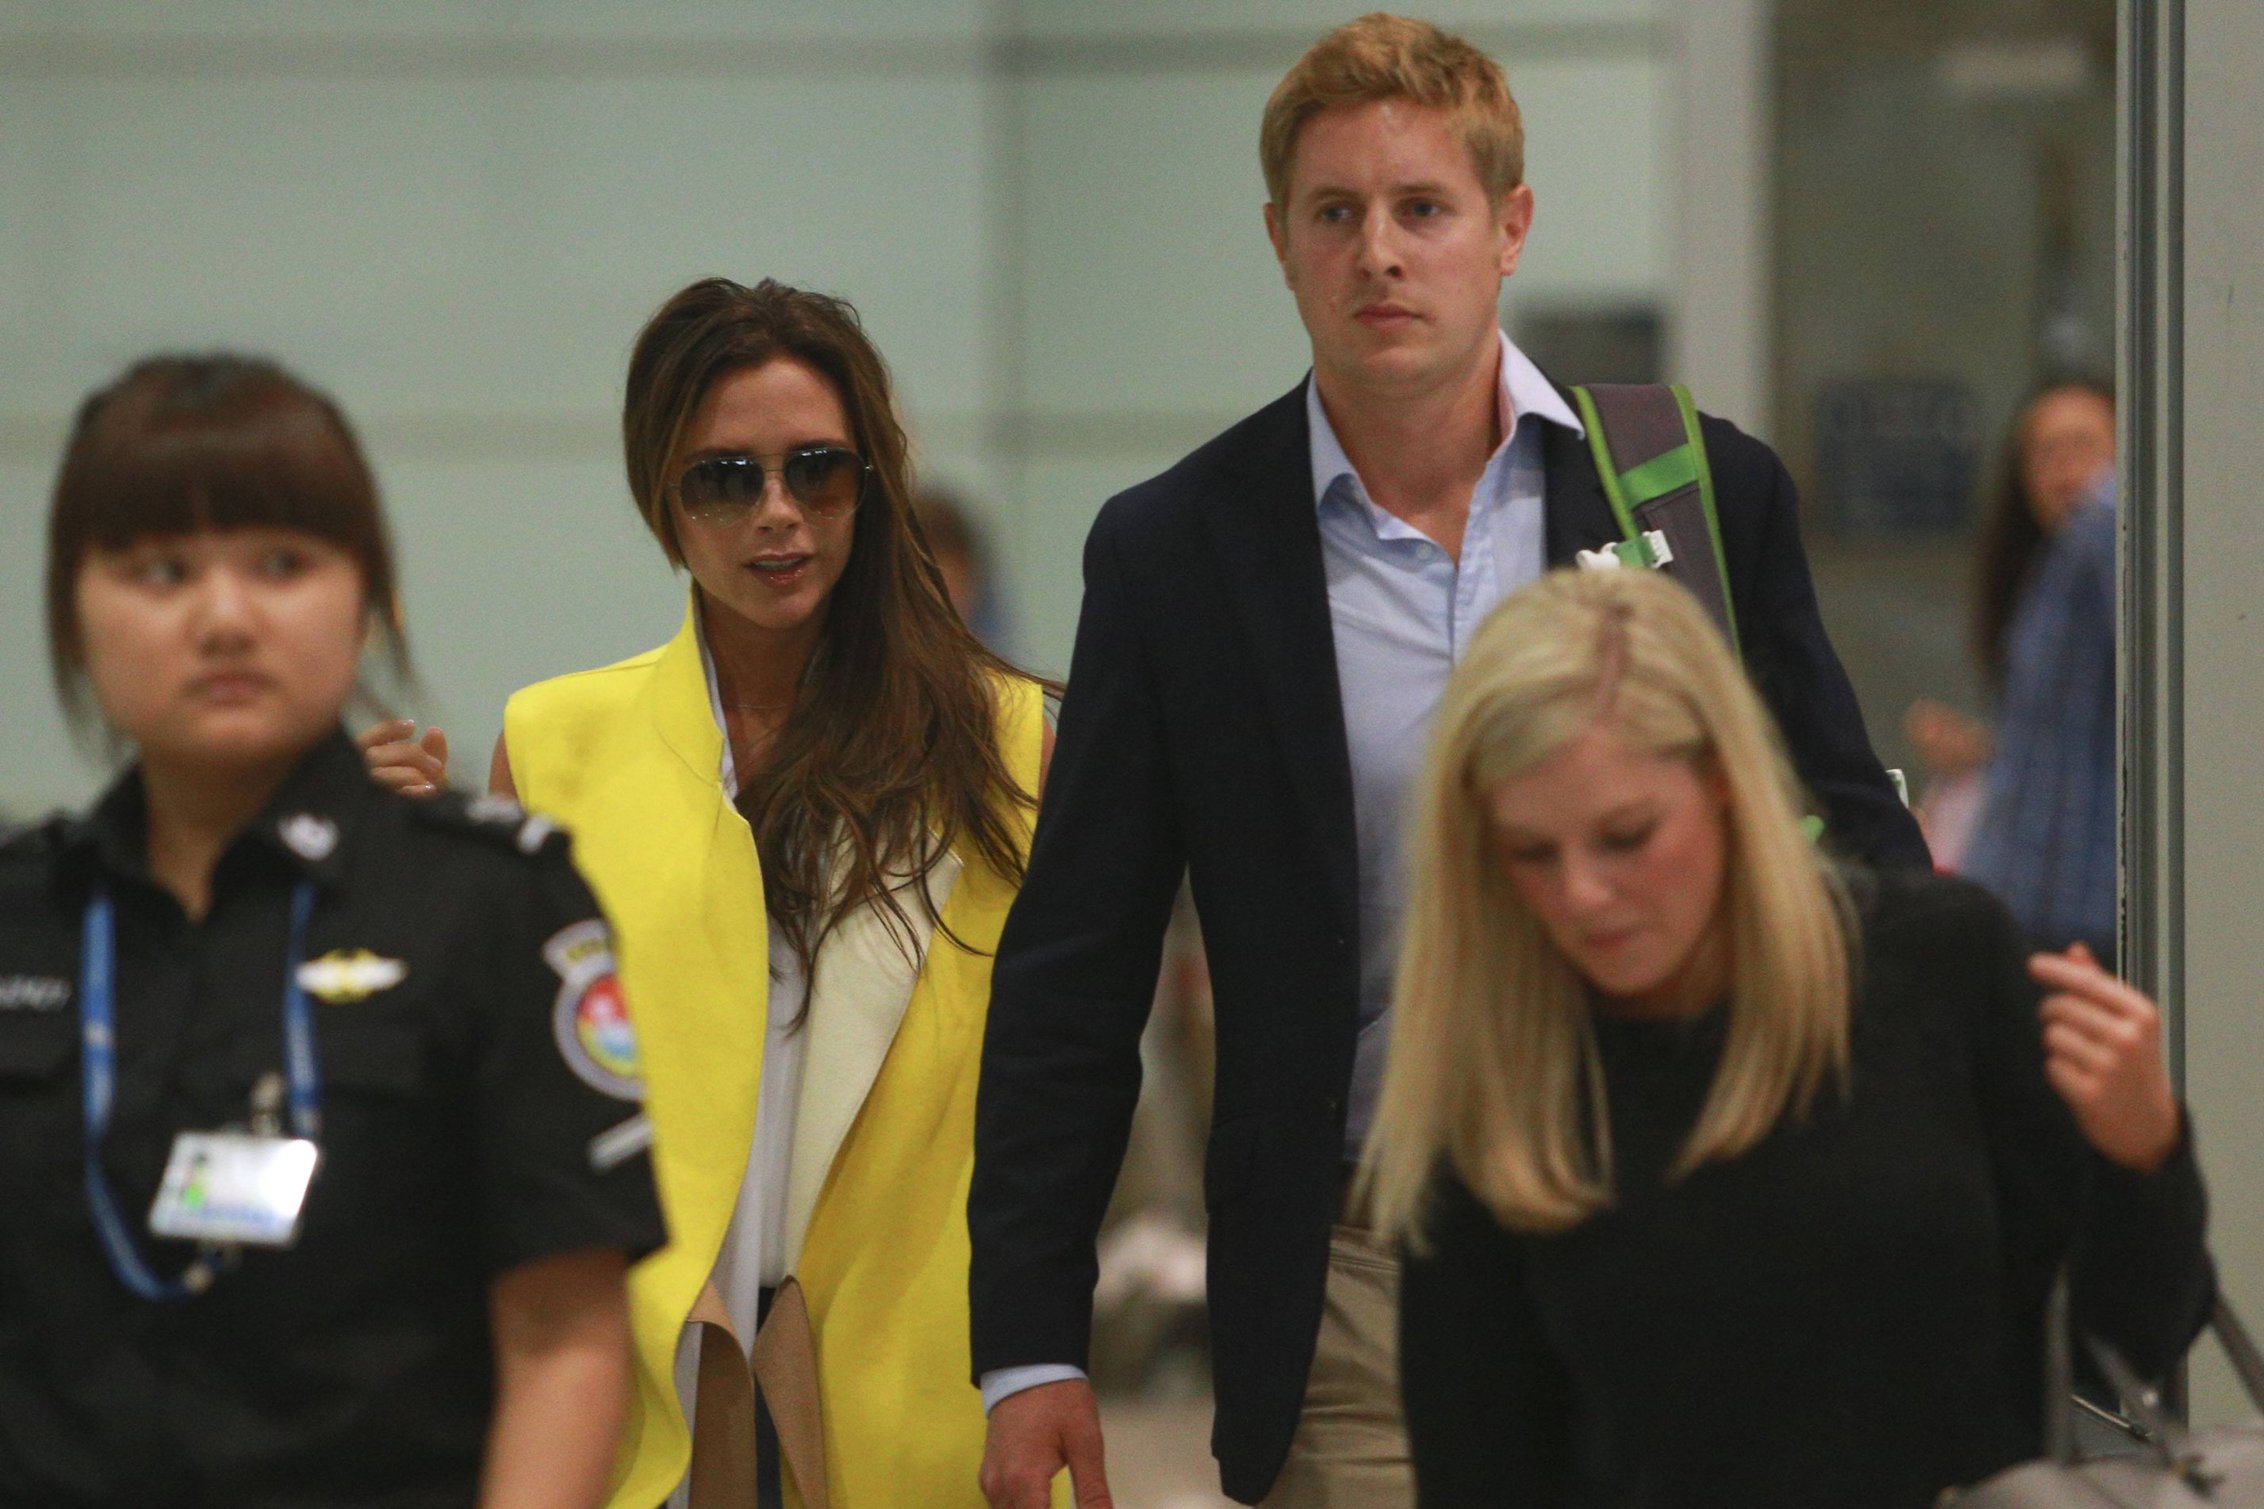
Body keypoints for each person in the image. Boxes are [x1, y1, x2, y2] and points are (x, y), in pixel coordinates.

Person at [968, 15, 1929, 1509]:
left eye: (1424, 210)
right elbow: (1075, 967)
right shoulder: (1179, 554)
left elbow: (1854, 855)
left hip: (1694, 1228)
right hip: (1369, 1265)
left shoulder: (1687, 495)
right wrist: (1031, 1346)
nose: (1379, 255)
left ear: (1508, 229)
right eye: (1335, 214)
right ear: (1280, 241)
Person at [1365, 566, 2208, 1508]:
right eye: (1530, 853)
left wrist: (2144, 1153)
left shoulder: (1935, 961)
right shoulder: (1498, 1071)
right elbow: (1479, 1466)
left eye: (1627, 834)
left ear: (1723, 784)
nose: (1583, 894)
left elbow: (2132, 1343)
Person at [0, 355, 664, 1507]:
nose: (223, 617)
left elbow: (564, 1338)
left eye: (281, 563)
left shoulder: (490, 905)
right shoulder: (24, 917)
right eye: (159, 570)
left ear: (367, 599)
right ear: (73, 609)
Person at [474, 278, 1046, 1509]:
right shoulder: (555, 742)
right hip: (642, 1390)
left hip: (925, 1384)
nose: (777, 514)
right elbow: (506, 1099)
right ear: (661, 503)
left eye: (818, 470)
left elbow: (1066, 1087)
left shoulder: (1013, 744)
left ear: (871, 484)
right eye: (723, 478)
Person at [1906, 378, 2116, 886]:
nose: (2067, 473)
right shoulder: (2036, 582)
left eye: (2084, 447)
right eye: (2046, 454)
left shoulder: (2108, 548)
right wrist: (1983, 753)